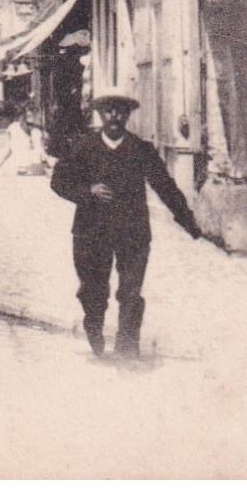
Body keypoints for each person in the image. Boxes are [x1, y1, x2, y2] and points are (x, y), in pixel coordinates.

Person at [49, 87, 203, 360]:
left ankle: (127, 349)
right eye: (108, 110)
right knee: (93, 291)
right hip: (90, 232)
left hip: (132, 232)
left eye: (120, 111)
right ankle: (93, 325)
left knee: (131, 293)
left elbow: (165, 186)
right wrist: (88, 191)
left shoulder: (140, 150)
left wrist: (188, 222)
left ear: (128, 115)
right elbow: (59, 182)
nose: (114, 116)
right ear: (99, 114)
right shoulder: (83, 147)